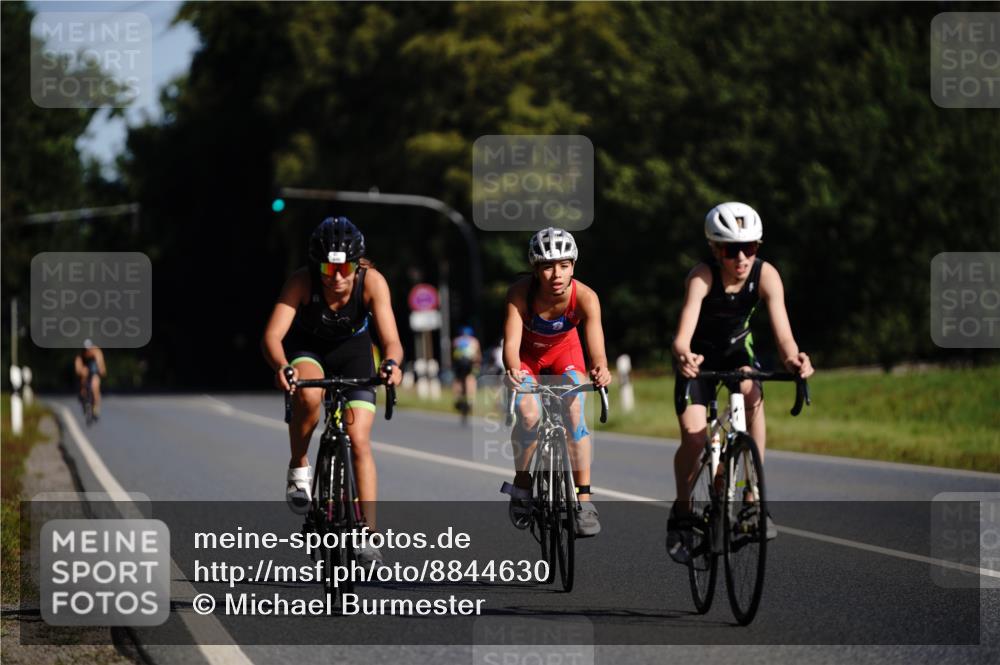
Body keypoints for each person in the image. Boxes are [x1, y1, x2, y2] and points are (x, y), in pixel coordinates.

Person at [667, 202, 814, 561]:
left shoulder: (766, 275)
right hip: (699, 361)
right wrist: (684, 356)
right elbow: (681, 337)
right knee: (695, 436)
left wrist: (795, 359)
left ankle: (752, 501)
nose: (742, 258)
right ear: (716, 250)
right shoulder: (702, 277)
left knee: (751, 387)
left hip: (737, 356)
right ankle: (683, 511)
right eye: (732, 250)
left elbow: (784, 337)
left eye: (750, 248)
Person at [261, 216, 403, 564]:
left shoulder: (373, 283)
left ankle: (367, 534)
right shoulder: (301, 282)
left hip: (354, 355)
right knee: (308, 396)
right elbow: (272, 336)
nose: (337, 278)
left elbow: (392, 342)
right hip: (310, 352)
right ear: (316, 264)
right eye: (329, 268)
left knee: (359, 439)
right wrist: (282, 366)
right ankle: (299, 466)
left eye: (347, 268)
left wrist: (392, 365)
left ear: (358, 264)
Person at [500, 227, 612, 537]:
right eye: (548, 266)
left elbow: (597, 348)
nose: (556, 274)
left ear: (573, 265)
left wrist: (601, 368)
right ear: (536, 269)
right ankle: (522, 483)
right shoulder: (520, 293)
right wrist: (514, 371)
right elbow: (510, 343)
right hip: (527, 360)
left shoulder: (586, 297)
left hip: (566, 354)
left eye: (564, 265)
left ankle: (584, 501)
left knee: (575, 413)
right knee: (528, 415)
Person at [452, 325, 481, 417]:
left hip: (459, 363)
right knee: (471, 379)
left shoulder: (456, 341)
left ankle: (457, 398)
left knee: (458, 380)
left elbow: (452, 353)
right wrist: (478, 364)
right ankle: (470, 400)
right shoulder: (474, 341)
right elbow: (478, 355)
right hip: (470, 363)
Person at [74, 339, 106, 418]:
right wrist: (81, 371)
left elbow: (100, 363)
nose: (88, 351)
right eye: (86, 349)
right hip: (85, 369)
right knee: (83, 382)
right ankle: (84, 399)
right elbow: (78, 367)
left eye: (89, 349)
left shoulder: (96, 351)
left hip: (94, 370)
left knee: (95, 385)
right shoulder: (80, 355)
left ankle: (96, 407)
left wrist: (101, 370)